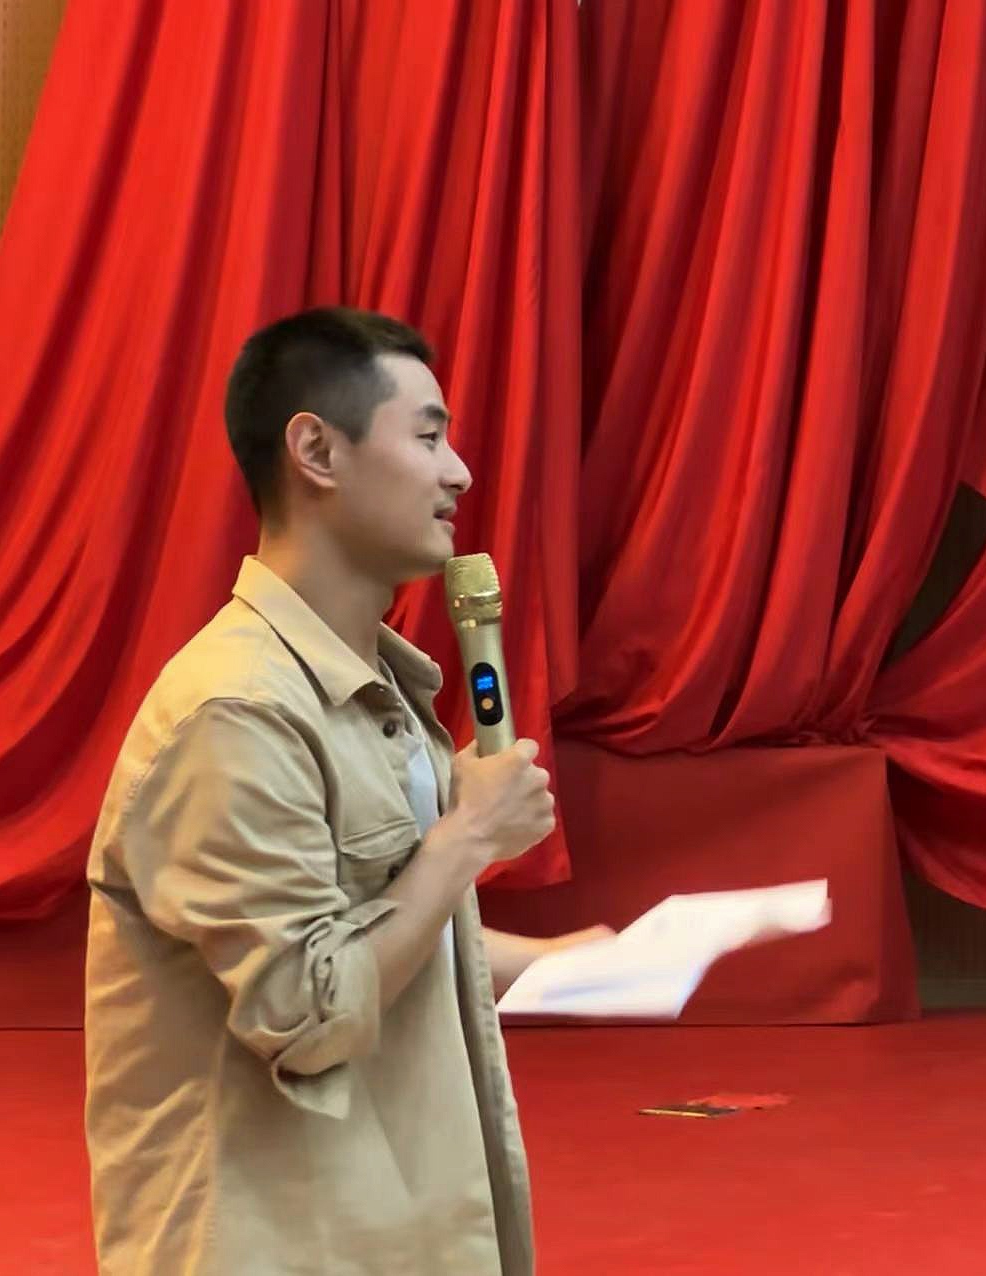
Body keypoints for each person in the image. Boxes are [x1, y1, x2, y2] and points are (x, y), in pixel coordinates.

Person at [84, 306, 606, 1275]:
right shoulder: (235, 709)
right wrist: (466, 835)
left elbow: (382, 928)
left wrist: (564, 965)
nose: (460, 473)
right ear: (317, 451)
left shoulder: (377, 690)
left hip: (388, 1232)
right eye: (428, 436)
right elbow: (306, 1006)